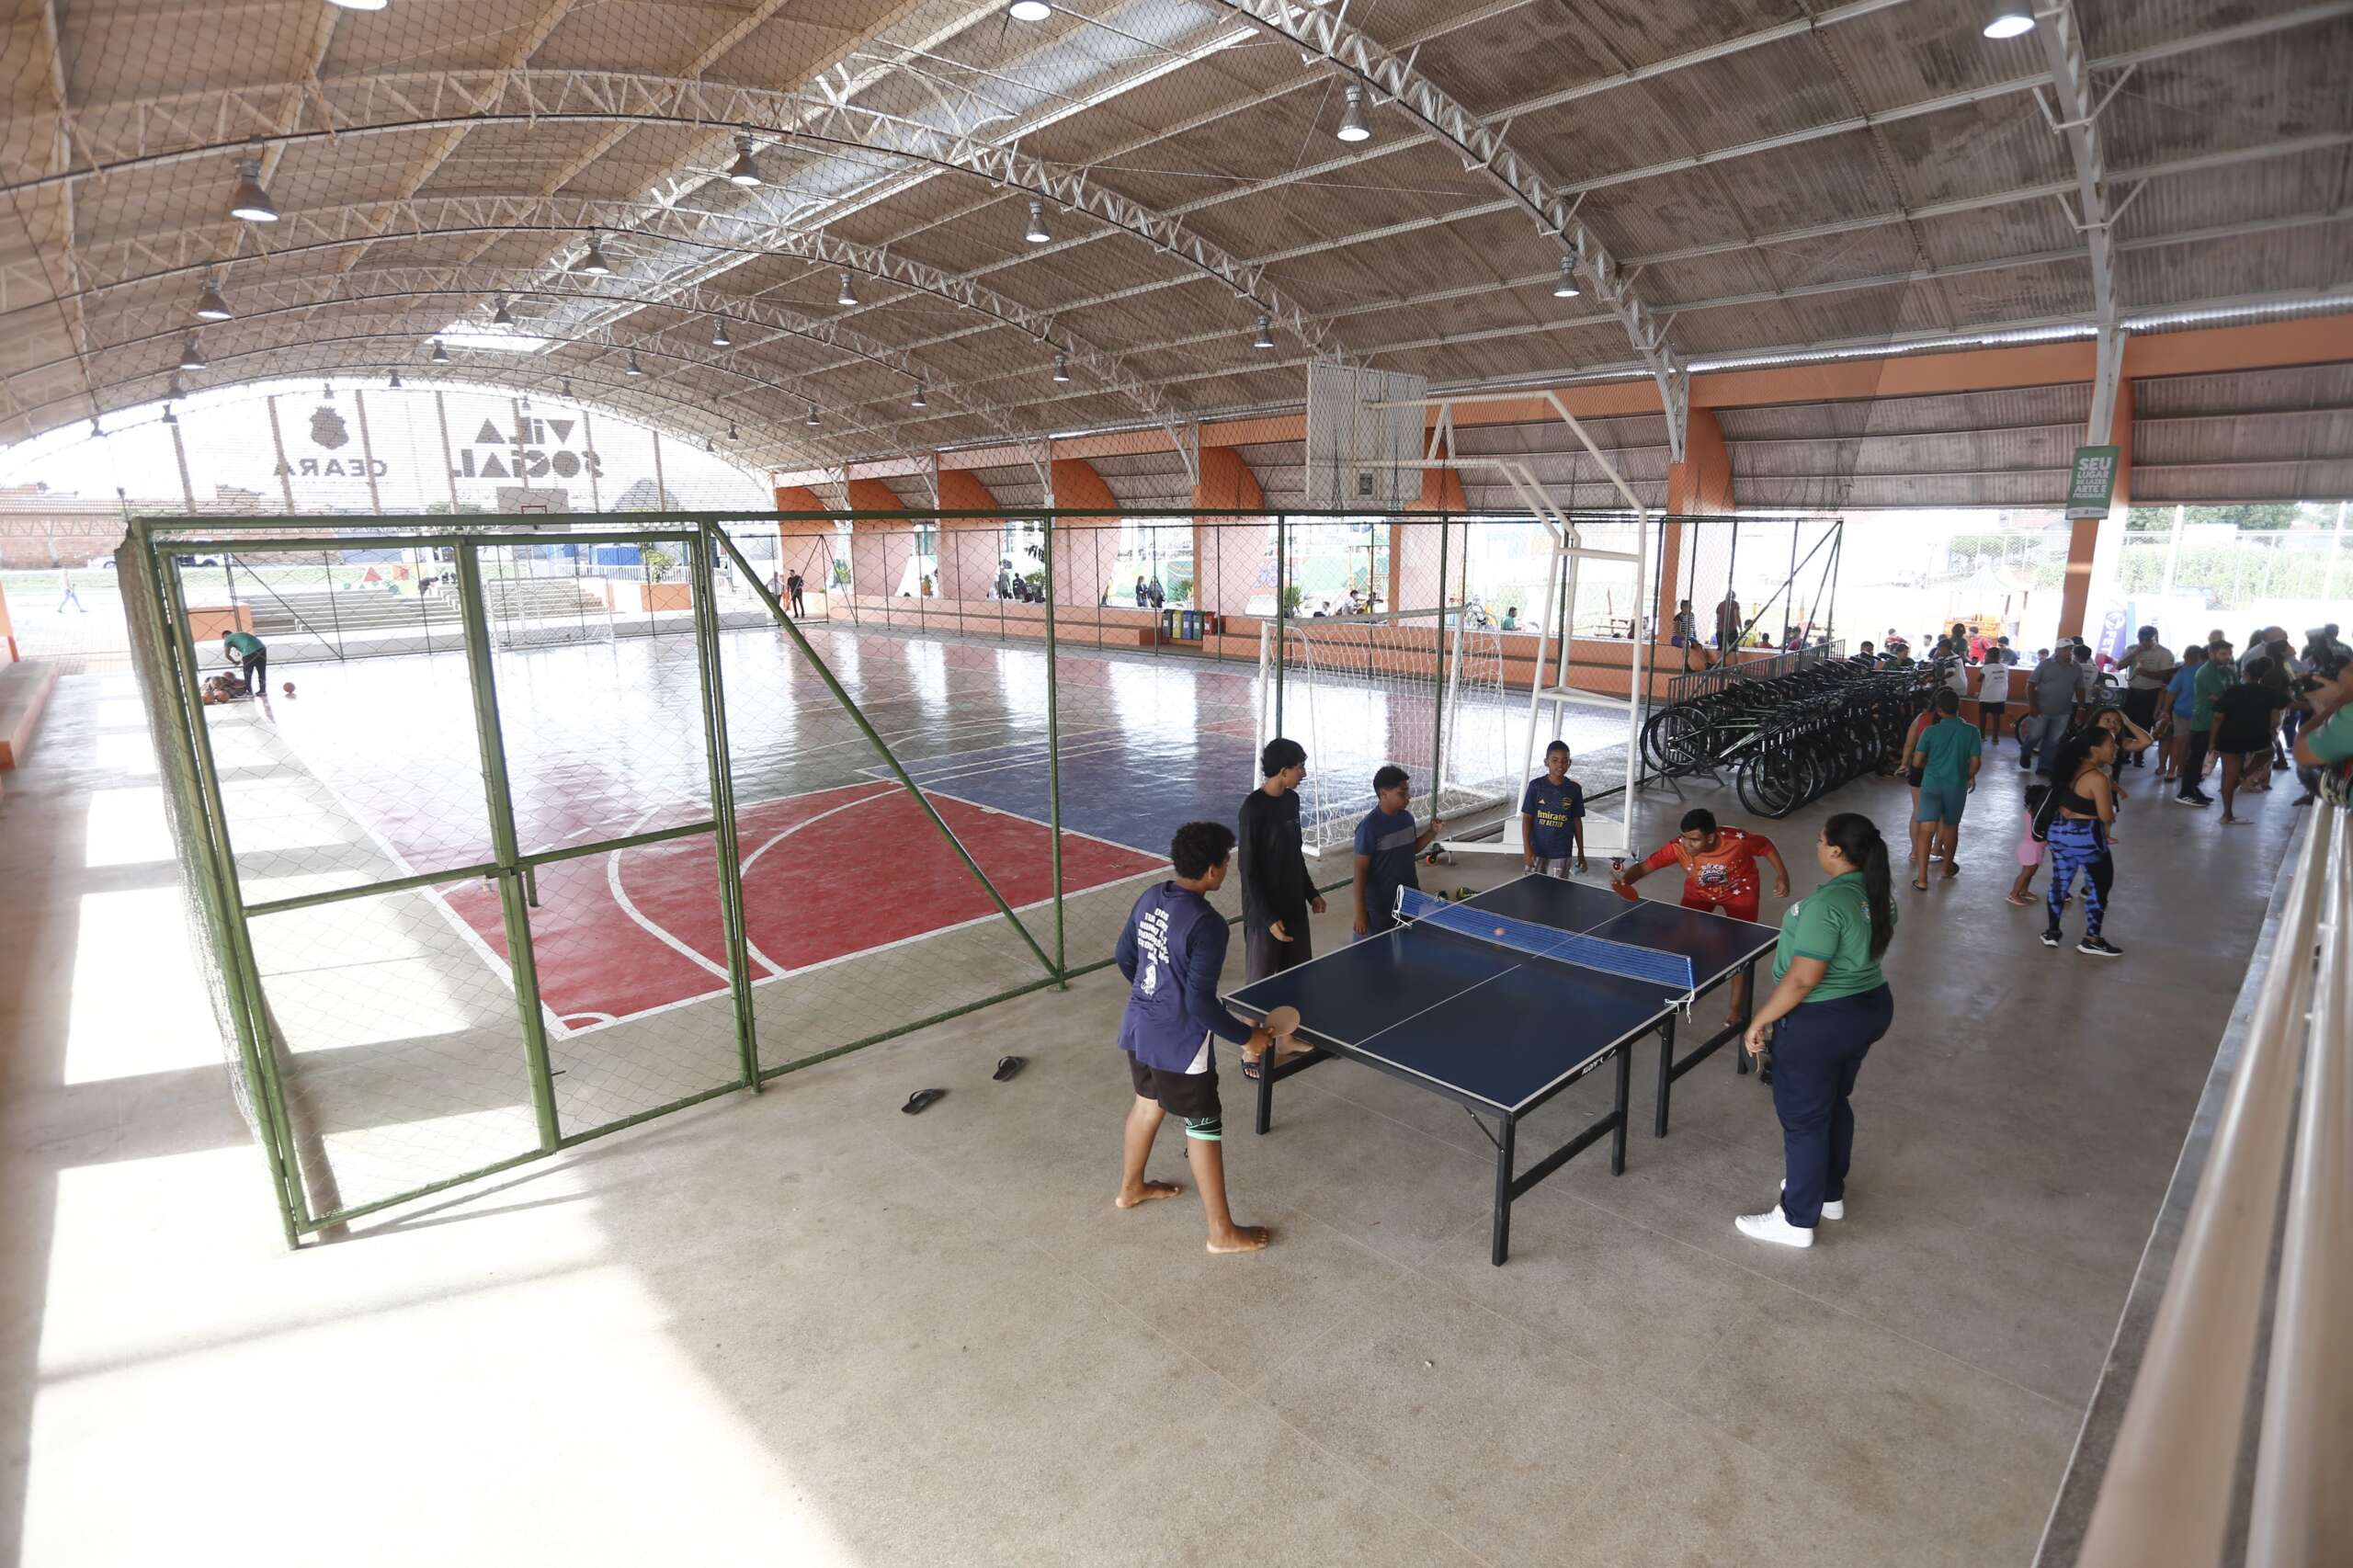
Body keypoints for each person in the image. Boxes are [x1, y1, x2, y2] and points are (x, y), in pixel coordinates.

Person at [1111, 821, 1278, 1255]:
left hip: (1140, 1026)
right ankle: (1221, 1233)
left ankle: (1130, 1189)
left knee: (1147, 1104)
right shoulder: (1208, 924)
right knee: (1203, 1124)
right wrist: (1247, 1037)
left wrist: (1155, 994)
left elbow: (1124, 957)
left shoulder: (1151, 896)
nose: (1227, 868)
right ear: (1211, 871)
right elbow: (1200, 1004)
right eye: (1226, 862)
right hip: (1180, 1041)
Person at [1734, 812, 1897, 1249]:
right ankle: (1828, 1194)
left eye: (1821, 841)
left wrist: (1760, 1020)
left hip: (1822, 1020)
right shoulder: (1876, 893)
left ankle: (1796, 1221)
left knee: (1804, 1120)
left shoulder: (1828, 905)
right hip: (1868, 1008)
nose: (1817, 846)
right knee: (1832, 1101)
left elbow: (1803, 979)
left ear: (1837, 851)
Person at [1617, 807, 1790, 1027]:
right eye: (1684, 837)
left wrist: (1782, 875)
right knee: (1683, 940)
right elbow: (1644, 868)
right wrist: (1625, 881)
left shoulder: (1738, 841)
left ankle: (1736, 1008)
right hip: (1698, 894)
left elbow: (1766, 846)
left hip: (1740, 893)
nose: (1687, 844)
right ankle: (1686, 988)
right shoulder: (1678, 847)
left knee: (1740, 950)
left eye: (1694, 840)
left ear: (1711, 837)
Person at [1237, 738, 1324, 1074]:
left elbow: (1294, 855)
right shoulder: (1253, 809)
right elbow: (1248, 871)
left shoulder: (1292, 801)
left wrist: (1311, 893)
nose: (1304, 773)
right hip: (1264, 914)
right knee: (1259, 984)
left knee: (1295, 976)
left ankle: (1286, 1039)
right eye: (1300, 767)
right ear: (1283, 770)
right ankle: (1250, 1049)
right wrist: (1268, 917)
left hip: (1293, 906)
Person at [2040, 727, 2123, 958]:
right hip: (2085, 836)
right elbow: (2105, 815)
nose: (2116, 748)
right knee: (2100, 885)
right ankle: (2092, 939)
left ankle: (2052, 932)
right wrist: (2111, 815)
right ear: (2094, 749)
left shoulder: (2069, 768)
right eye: (2111, 744)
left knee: (2060, 881)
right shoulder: (2098, 777)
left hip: (2058, 832)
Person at [1351, 767, 1441, 940]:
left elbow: (1411, 849)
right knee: (1374, 951)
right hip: (1380, 906)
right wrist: (1360, 911)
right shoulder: (1368, 828)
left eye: (1407, 791)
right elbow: (1360, 871)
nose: (1408, 797)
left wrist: (1432, 832)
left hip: (1409, 898)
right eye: (1402, 793)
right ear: (1384, 794)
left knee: (1406, 944)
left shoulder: (1407, 819)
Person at [1907, 688, 1983, 888]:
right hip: (1956, 787)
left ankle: (1922, 879)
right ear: (1959, 707)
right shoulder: (1972, 731)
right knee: (1951, 827)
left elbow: (1917, 762)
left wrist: (1931, 768)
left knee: (1926, 830)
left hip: (1931, 785)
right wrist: (1965, 775)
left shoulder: (1930, 732)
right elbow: (1976, 763)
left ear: (1938, 710)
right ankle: (1946, 868)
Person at [2211, 655, 2291, 825]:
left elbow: (2218, 717)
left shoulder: (2232, 691)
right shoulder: (2270, 693)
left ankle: (2227, 815)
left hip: (2229, 736)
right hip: (2256, 737)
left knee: (2227, 775)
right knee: (2269, 751)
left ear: (2245, 673)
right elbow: (2286, 707)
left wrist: (2212, 741)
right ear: (2263, 675)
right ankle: (2243, 775)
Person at [2181, 638, 2236, 801]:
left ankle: (2194, 788)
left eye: (2229, 654)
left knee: (2205, 759)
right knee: (2196, 758)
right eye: (2223, 654)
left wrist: (2225, 697)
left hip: (2222, 721)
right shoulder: (2205, 672)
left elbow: (2236, 693)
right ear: (2212, 654)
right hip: (2204, 721)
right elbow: (2223, 697)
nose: (2227, 657)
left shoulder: (2228, 671)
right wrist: (2225, 697)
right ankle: (2186, 791)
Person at [1518, 741, 1586, 875]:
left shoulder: (1574, 789)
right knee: (1533, 885)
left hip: (1562, 852)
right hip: (1537, 850)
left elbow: (1577, 821)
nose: (1560, 764)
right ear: (1546, 762)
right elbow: (1527, 818)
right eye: (1555, 760)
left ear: (1569, 763)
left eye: (1564, 761)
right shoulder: (1536, 786)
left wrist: (1581, 852)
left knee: (1557, 886)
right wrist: (1527, 849)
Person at [2115, 626, 2175, 769]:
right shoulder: (2132, 649)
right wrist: (2135, 652)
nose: (2145, 643)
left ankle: (2139, 756)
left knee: (2145, 724)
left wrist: (2146, 673)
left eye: (2148, 640)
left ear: (2156, 638)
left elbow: (2166, 675)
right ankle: (2125, 753)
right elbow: (2119, 666)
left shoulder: (2164, 653)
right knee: (2127, 723)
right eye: (2142, 639)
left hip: (2152, 693)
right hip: (2133, 691)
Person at [2021, 643, 2080, 774]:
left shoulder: (2076, 667)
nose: (2069, 652)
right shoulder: (2045, 664)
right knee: (2034, 736)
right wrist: (2033, 706)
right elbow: (2031, 684)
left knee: (2053, 741)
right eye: (2065, 649)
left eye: (2071, 649)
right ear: (2057, 651)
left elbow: (2080, 687)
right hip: (2041, 710)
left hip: (2063, 711)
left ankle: (2044, 766)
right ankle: (2026, 752)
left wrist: (2081, 707)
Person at [2158, 642, 2206, 785]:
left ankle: (2171, 770)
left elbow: (2171, 692)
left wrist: (2165, 710)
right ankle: (2181, 769)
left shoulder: (2183, 671)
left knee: (2179, 741)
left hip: (2181, 710)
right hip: (2200, 713)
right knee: (2189, 743)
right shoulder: (2208, 671)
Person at [2007, 783, 2051, 907]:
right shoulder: (2034, 815)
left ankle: (2024, 891)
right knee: (2026, 873)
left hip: (2036, 848)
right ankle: (2014, 894)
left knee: (2030, 872)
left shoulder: (2034, 813)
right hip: (2030, 849)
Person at [1975, 646, 2011, 744]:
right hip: (2000, 697)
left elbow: (1979, 680)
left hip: (1986, 697)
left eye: (1986, 656)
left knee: (1983, 717)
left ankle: (1982, 736)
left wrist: (1984, 667)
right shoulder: (2005, 667)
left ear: (1988, 657)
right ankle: (1995, 738)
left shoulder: (1985, 668)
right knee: (1996, 718)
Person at [222, 629, 267, 696]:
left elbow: (227, 655)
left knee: (247, 673)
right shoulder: (240, 634)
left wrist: (235, 662)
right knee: (261, 671)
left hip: (249, 652)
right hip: (261, 648)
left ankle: (249, 691)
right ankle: (262, 691)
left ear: (225, 636)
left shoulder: (227, 639)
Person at [1715, 592, 1742, 656]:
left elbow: (1718, 618)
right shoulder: (1735, 604)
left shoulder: (1720, 604)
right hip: (1731, 630)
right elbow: (1737, 616)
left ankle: (1718, 662)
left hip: (1720, 630)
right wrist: (1740, 629)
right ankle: (1733, 663)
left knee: (1720, 649)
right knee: (1733, 649)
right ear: (1734, 597)